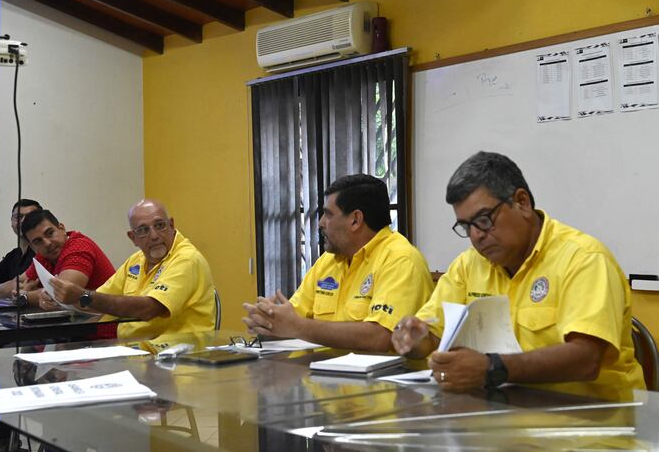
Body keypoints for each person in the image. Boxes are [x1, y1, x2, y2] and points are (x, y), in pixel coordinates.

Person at [392, 151, 645, 397]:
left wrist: (493, 368)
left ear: (521, 202)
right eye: (466, 226)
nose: (476, 235)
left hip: (594, 423)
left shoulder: (583, 259)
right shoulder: (468, 266)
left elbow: (586, 359)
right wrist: (416, 341)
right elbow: (434, 336)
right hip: (504, 414)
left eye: (483, 219)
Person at [243, 174, 433, 352]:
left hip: (381, 382)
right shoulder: (329, 260)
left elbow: (381, 337)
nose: (321, 223)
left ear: (355, 220)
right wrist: (268, 321)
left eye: (328, 214)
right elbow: (293, 321)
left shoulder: (400, 260)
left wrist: (296, 326)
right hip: (323, 375)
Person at [48, 199, 216, 340]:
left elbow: (148, 309)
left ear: (171, 225)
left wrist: (83, 296)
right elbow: (98, 302)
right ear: (132, 238)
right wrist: (57, 296)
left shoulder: (187, 259)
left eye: (160, 225)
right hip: (135, 351)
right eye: (143, 230)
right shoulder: (136, 260)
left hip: (178, 357)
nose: (154, 235)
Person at [14, 209, 115, 308]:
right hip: (79, 320)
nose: (47, 243)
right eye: (38, 241)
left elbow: (62, 295)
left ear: (62, 229)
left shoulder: (79, 247)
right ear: (33, 247)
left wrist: (26, 295)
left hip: (105, 321)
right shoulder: (44, 255)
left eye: (50, 233)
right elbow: (17, 283)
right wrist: (8, 290)